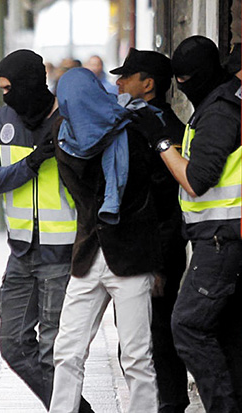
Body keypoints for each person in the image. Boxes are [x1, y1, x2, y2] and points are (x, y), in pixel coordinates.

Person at [0, 50, 93, 412]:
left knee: (52, 354)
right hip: (21, 253)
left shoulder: (68, 118)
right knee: (12, 344)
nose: (5, 95)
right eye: (2, 88)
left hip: (61, 256)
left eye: (10, 87)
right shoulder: (4, 119)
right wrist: (29, 164)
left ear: (30, 82)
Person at [50, 68, 160, 412]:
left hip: (131, 256)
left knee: (136, 355)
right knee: (67, 350)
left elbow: (151, 194)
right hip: (88, 257)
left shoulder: (132, 129)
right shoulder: (63, 135)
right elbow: (82, 197)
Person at [142, 35, 241, 412]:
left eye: (185, 79)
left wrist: (163, 144)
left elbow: (197, 180)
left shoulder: (218, 111)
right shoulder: (222, 103)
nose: (182, 86)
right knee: (227, 333)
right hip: (222, 237)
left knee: (187, 326)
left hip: (221, 239)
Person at [110, 48, 190, 413]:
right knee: (137, 338)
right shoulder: (135, 123)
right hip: (136, 248)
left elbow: (166, 206)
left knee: (157, 336)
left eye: (127, 76)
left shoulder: (164, 131)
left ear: (149, 84)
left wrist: (158, 263)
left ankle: (171, 402)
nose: (119, 82)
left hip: (157, 249)